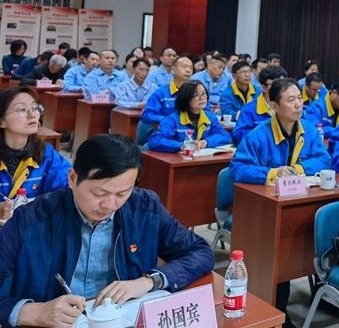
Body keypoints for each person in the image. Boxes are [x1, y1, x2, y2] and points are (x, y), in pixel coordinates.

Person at [0, 134, 214, 328]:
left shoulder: (144, 207)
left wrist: (148, 281)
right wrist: (33, 312)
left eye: (122, 193)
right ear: (72, 179)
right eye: (99, 193)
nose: (110, 204)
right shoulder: (30, 220)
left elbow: (200, 252)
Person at [230, 79, 330, 318]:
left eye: (299, 99)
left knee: (319, 244)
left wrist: (298, 169)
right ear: (274, 106)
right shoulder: (258, 135)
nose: (298, 105)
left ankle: (324, 297)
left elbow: (324, 159)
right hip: (265, 212)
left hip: (298, 203)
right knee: (279, 256)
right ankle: (277, 310)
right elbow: (237, 169)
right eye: (291, 100)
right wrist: (273, 173)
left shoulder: (308, 130)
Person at [0, 88, 71, 218]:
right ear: (2, 121)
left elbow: (69, 187)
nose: (32, 114)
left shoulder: (46, 154)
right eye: (22, 109)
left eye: (35, 108)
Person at [146, 81, 232, 152]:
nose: (202, 98)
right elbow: (155, 141)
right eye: (195, 95)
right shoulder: (172, 119)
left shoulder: (210, 117)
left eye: (203, 94)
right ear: (185, 98)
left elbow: (225, 136)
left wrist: (206, 142)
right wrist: (182, 145)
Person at [138, 56, 194, 144]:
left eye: (191, 67)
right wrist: (168, 120)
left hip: (191, 138)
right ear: (173, 69)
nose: (188, 70)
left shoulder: (196, 94)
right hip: (165, 138)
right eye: (184, 67)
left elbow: (206, 114)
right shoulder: (161, 93)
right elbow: (146, 115)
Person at [231, 66, 286, 144]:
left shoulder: (290, 107)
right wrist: (265, 133)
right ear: (264, 88)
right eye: (275, 85)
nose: (280, 89)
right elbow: (237, 135)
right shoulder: (249, 110)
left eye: (283, 85)